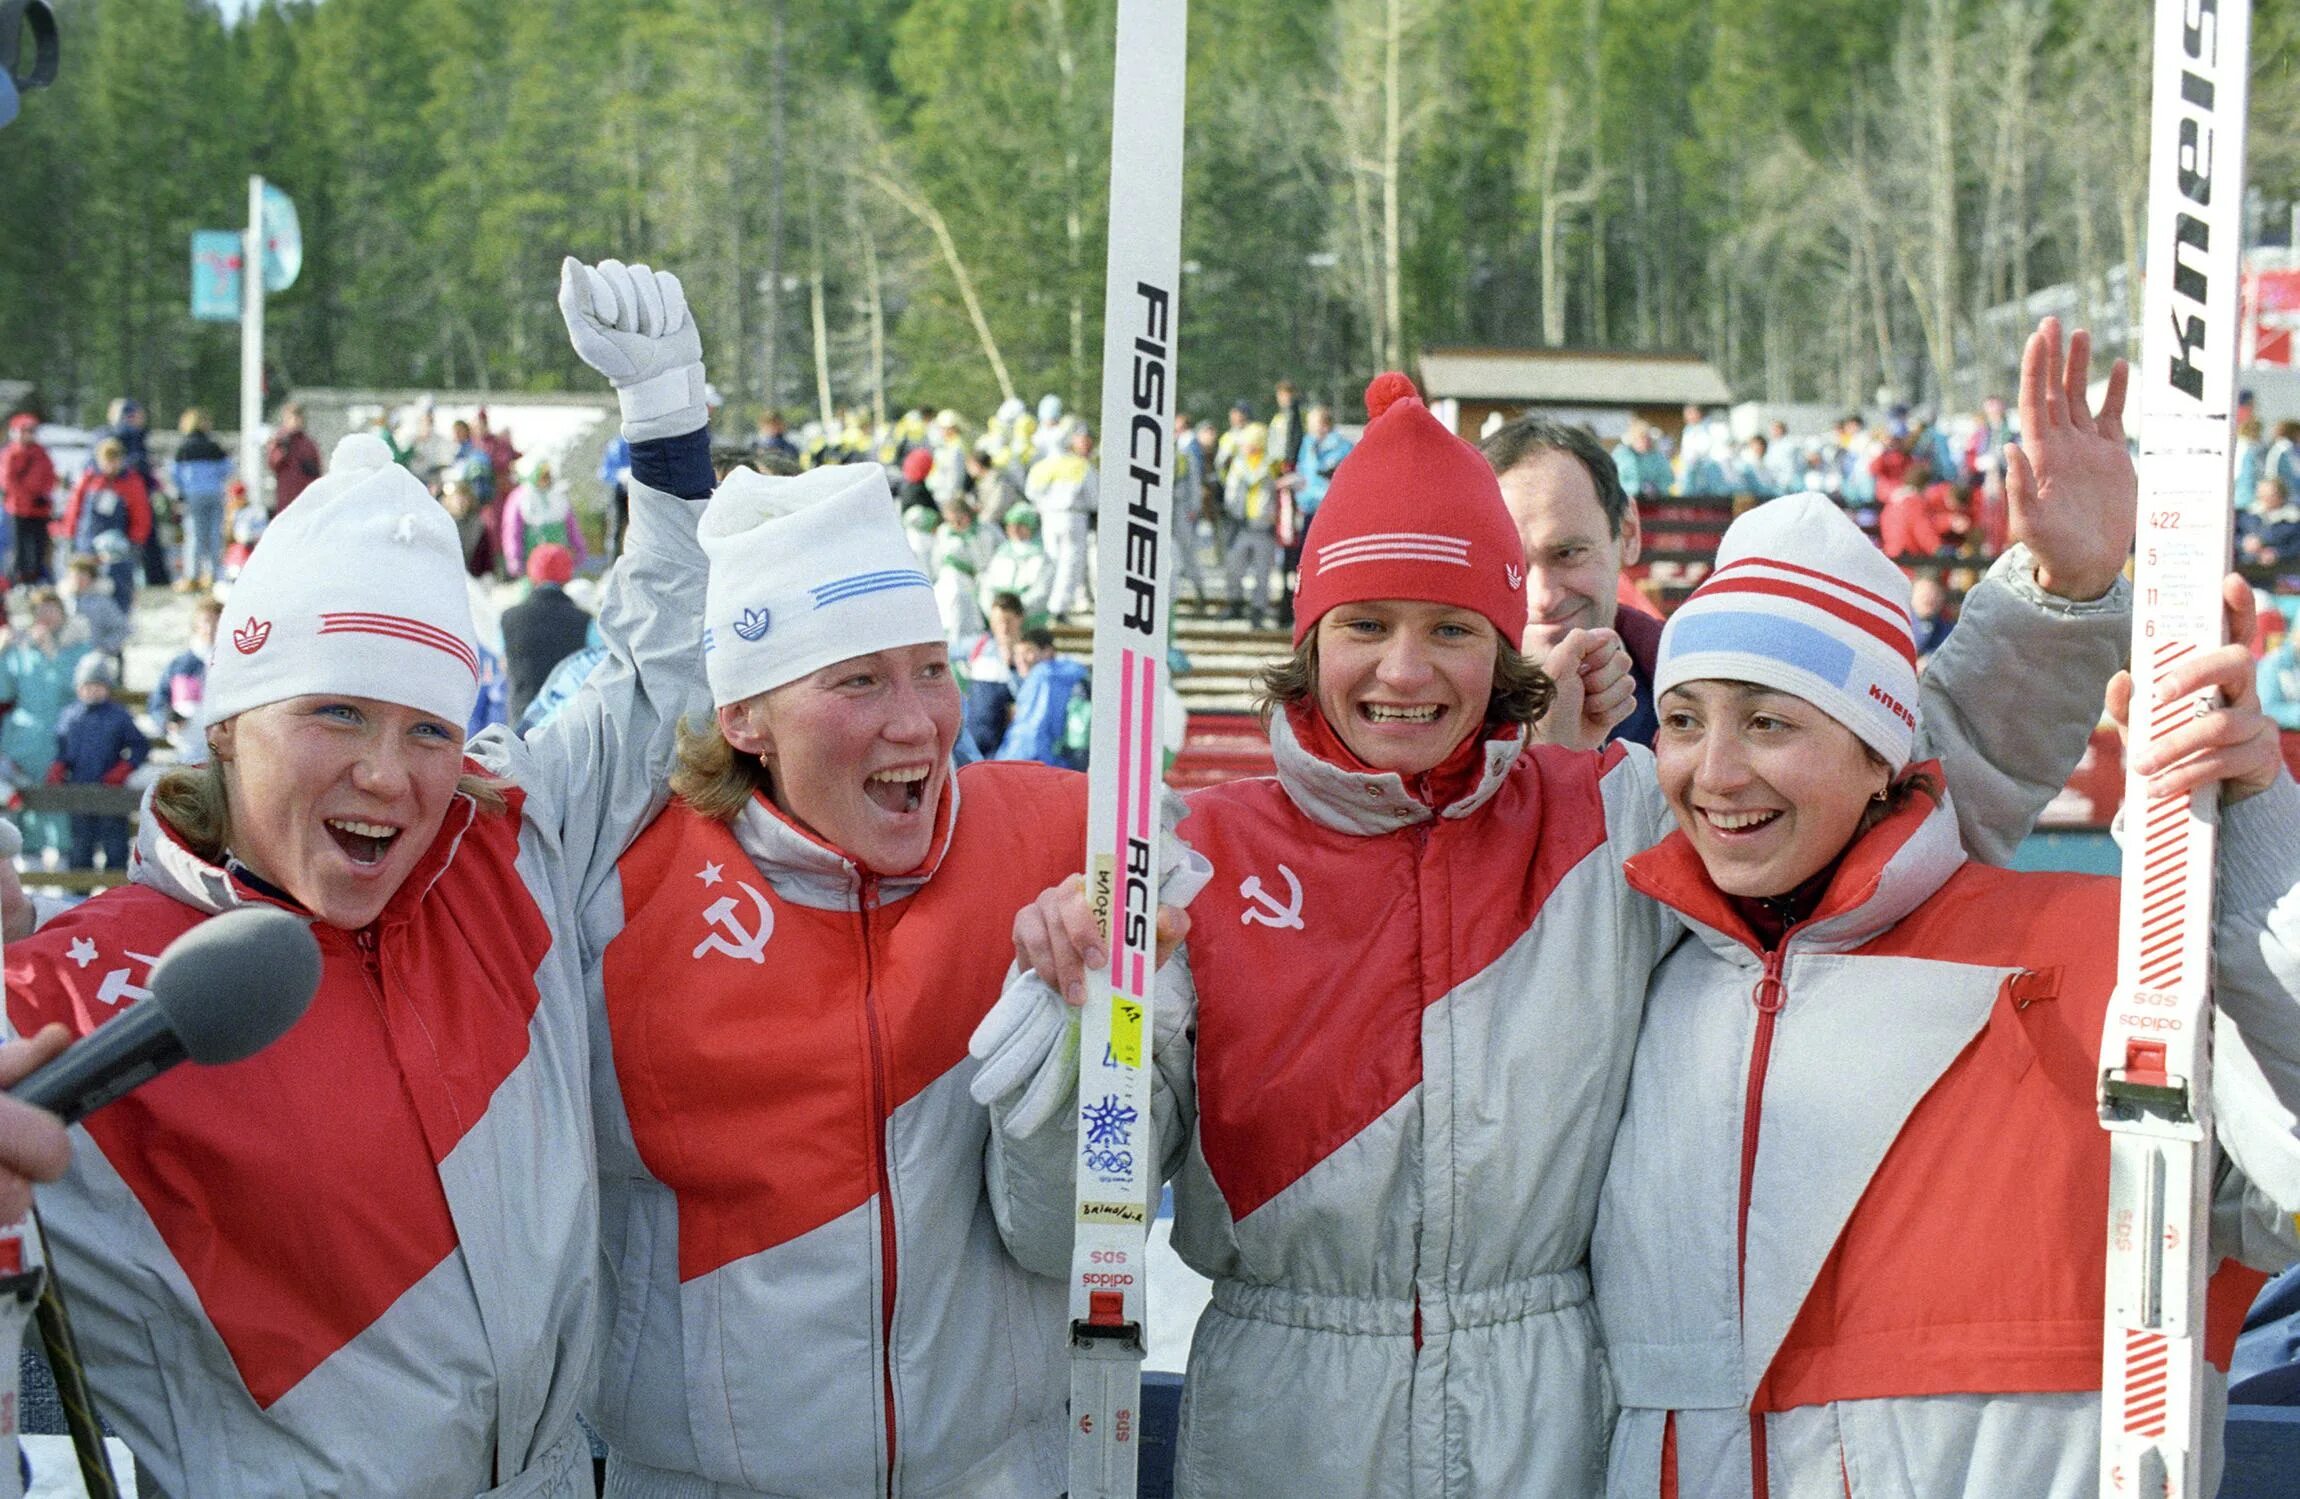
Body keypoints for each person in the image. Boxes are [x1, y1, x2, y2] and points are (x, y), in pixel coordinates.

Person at [971, 345, 2136, 1499]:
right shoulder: (1190, 860)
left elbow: (1867, 761)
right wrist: (1083, 1028)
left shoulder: (1608, 821)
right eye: (1363, 622)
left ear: (1500, 645)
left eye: (1451, 627)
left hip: (1552, 1417)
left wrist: (2060, 593)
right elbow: (1066, 1228)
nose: (1404, 669)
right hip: (1282, 1417)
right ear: (1307, 638)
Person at [1, 255, 716, 1496]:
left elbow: (655, 685)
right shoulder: (80, 995)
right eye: (338, 712)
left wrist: (666, 440)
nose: (391, 775)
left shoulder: (500, 854)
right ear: (227, 721)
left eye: (429, 727)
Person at [1589, 507, 2300, 1499]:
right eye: (1681, 718)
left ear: (1882, 750)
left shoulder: (2078, 949)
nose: (1712, 772)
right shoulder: (1632, 970)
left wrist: (2257, 820)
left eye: (1767, 720)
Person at [581, 450, 1171, 1498]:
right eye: (857, 679)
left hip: (993, 1470)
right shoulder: (625, 882)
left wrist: (1122, 958)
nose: (918, 721)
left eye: (932, 668)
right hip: (705, 1478)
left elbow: (1244, 856)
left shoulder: (1044, 832)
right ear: (744, 717)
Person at [1484, 414, 1662, 745]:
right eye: (1508, 566)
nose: (1542, 598)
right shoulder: (1422, 720)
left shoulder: (1704, 699)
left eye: (1567, 554)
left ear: (1627, 533)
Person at [0, 588, 88, 856]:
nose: (46, 616)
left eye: (52, 608)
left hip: (64, 739)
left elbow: (76, 692)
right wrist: (1, 652)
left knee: (59, 808)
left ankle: (65, 873)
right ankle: (23, 868)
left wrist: (53, 655)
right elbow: (3, 692)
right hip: (23, 740)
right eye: (40, 610)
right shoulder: (21, 650)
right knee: (23, 808)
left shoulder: (79, 649)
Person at [48, 653, 146, 870]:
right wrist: (59, 766)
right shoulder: (70, 716)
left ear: (107, 688)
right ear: (78, 688)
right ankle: (79, 896)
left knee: (115, 846)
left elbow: (140, 745)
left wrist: (125, 768)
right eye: (87, 685)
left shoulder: (118, 716)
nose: (92, 690)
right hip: (79, 790)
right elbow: (62, 748)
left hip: (111, 791)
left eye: (98, 685)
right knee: (81, 845)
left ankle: (115, 894)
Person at [500, 542, 594, 725]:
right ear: (568, 575)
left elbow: (504, 664)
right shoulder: (585, 621)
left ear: (531, 574)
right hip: (567, 725)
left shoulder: (508, 618)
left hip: (522, 724)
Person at [61, 437, 152, 609]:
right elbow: (74, 508)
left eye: (115, 460)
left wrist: (136, 540)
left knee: (119, 584)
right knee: (83, 582)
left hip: (117, 546)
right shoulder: (88, 479)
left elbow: (141, 514)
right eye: (107, 460)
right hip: (87, 542)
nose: (111, 465)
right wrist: (69, 533)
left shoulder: (131, 482)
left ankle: (120, 618)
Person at [1027, 422, 1098, 620]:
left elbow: (1030, 493)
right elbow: (1094, 497)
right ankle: (1059, 607)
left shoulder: (1040, 466)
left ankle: (1047, 602)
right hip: (1074, 516)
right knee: (1071, 562)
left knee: (1052, 560)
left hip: (1048, 516)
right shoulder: (1080, 465)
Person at [993, 626, 1089, 769]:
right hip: (1067, 762)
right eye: (1017, 653)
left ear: (1048, 652)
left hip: (1036, 764)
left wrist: (1003, 764)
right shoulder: (1073, 675)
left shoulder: (1042, 676)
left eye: (1028, 652)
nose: (1021, 659)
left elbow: (1032, 730)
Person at [1221, 422, 1279, 628]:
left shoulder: (1271, 465)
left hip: (1264, 527)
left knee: (1262, 573)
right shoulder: (1238, 464)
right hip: (1241, 526)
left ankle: (1257, 610)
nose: (1244, 446)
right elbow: (1230, 492)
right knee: (1234, 568)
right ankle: (1235, 603)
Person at [959, 590, 1030, 758]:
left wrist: (1012, 665)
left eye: (1008, 621)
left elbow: (1028, 697)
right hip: (973, 735)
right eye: (998, 621)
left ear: (1020, 619)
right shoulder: (980, 646)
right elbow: (945, 650)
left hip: (1004, 742)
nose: (1003, 628)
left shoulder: (1029, 653)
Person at [149, 596, 223, 757]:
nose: (211, 628)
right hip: (188, 750)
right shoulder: (179, 665)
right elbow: (158, 703)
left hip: (223, 748)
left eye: (218, 622)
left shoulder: (230, 662)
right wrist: (167, 721)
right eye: (206, 621)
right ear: (196, 625)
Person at [170, 407, 234, 593]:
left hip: (193, 496)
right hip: (214, 493)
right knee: (215, 535)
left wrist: (182, 491)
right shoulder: (214, 447)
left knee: (194, 536)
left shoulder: (183, 448)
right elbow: (227, 469)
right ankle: (214, 575)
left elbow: (175, 474)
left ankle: (192, 576)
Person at [500, 453, 587, 581]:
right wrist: (514, 559)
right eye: (542, 476)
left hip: (559, 561)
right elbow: (512, 531)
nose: (545, 480)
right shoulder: (520, 498)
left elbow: (572, 527)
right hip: (532, 563)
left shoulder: (558, 496)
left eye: (547, 476)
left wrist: (579, 551)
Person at [1, 413, 56, 585]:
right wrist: (30, 497)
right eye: (25, 430)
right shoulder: (11, 453)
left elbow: (50, 476)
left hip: (39, 509)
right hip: (19, 509)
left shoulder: (41, 453)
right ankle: (19, 579)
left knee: (40, 546)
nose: (29, 434)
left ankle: (38, 578)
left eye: (32, 430)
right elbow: (8, 481)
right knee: (20, 547)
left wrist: (42, 495)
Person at [980, 501, 1054, 621]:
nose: (1015, 529)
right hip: (999, 617)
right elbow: (988, 585)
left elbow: (1042, 591)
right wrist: (994, 611)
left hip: (1030, 619)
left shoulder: (1042, 557)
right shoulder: (1001, 553)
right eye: (1011, 525)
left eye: (1020, 525)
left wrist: (1016, 611)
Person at [264, 400, 323, 514]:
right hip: (286, 497)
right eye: (291, 418)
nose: (295, 422)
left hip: (305, 497)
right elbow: (273, 464)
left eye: (298, 418)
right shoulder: (279, 441)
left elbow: (317, 471)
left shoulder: (308, 444)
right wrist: (282, 450)